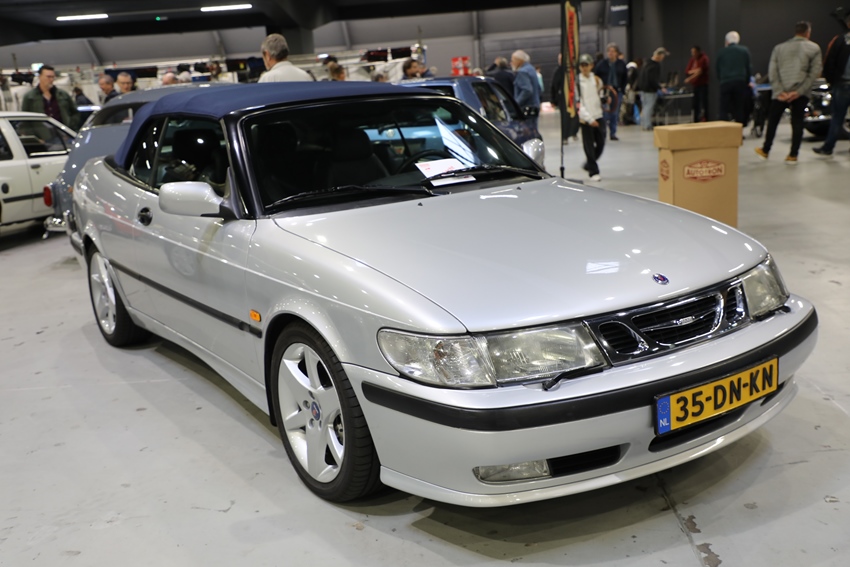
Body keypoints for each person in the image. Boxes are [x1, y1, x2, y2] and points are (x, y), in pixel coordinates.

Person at [755, 21, 822, 164]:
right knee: (797, 122)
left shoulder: (779, 48)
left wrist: (780, 91)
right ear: (808, 33)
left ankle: (765, 150)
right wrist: (798, 91)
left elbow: (773, 71)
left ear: (795, 32)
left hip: (780, 93)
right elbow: (814, 73)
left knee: (773, 121)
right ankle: (793, 155)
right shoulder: (814, 48)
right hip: (800, 93)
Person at [813, 12, 850, 157]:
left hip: (842, 85)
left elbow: (830, 61)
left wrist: (831, 81)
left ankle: (828, 147)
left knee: (837, 118)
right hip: (841, 84)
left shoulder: (840, 40)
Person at [20, 65, 80, 129]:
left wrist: (71, 125)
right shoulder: (30, 97)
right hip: (42, 133)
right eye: (48, 77)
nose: (51, 80)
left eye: (53, 77)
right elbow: (25, 120)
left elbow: (75, 113)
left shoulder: (63, 95)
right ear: (40, 77)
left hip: (63, 132)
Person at [576, 54, 606, 182]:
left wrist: (605, 100)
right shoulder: (577, 82)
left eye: (586, 65)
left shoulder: (597, 80)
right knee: (588, 145)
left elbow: (601, 95)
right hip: (585, 119)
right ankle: (593, 171)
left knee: (601, 142)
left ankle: (589, 163)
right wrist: (589, 119)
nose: (584, 68)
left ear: (591, 66)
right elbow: (578, 103)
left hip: (598, 115)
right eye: (582, 65)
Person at [716, 31, 752, 124]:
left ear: (727, 41)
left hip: (725, 82)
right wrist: (747, 81)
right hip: (740, 82)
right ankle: (739, 129)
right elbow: (748, 67)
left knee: (724, 108)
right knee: (739, 107)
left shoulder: (721, 52)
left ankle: (723, 128)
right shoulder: (744, 50)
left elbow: (717, 69)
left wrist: (722, 80)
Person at [594, 42, 627, 140]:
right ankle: (603, 132)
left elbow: (625, 78)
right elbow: (596, 76)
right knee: (604, 113)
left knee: (614, 112)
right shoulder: (602, 64)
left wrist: (622, 90)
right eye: (609, 51)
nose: (610, 53)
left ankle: (613, 133)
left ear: (617, 53)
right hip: (604, 91)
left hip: (616, 91)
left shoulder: (621, 64)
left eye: (613, 51)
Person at [637, 48, 668, 130]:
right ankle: (647, 125)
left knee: (644, 107)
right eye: (663, 56)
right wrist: (660, 87)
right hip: (650, 90)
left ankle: (644, 124)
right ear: (659, 55)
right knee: (648, 108)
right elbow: (652, 79)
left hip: (643, 89)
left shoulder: (646, 63)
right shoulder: (654, 66)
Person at [511, 50, 541, 124]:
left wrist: (516, 104)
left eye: (513, 60)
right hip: (534, 107)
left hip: (526, 108)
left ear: (519, 61)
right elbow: (539, 88)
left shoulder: (522, 72)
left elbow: (527, 90)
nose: (511, 63)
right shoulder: (531, 69)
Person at [684, 45, 710, 121]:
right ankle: (696, 120)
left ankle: (706, 118)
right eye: (692, 52)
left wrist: (689, 78)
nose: (692, 54)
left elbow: (700, 71)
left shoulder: (704, 58)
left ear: (698, 52)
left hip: (703, 84)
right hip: (695, 85)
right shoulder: (692, 60)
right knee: (695, 104)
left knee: (704, 103)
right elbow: (687, 71)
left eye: (694, 52)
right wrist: (695, 70)